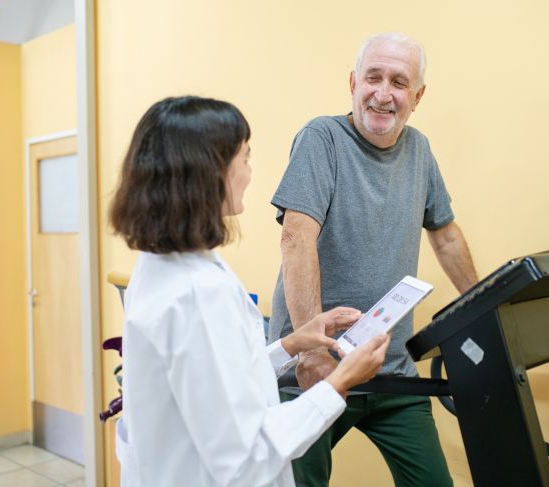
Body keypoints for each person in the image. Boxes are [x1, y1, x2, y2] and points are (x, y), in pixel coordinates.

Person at [109, 96, 390, 487]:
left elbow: (216, 381)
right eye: (245, 158)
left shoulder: (160, 266)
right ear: (211, 172)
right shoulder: (198, 292)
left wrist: (289, 344)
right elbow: (244, 458)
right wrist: (340, 380)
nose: (250, 172)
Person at [268, 32, 478, 486]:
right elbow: (296, 238)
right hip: (315, 369)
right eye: (373, 78)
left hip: (391, 369)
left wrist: (484, 305)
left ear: (417, 96)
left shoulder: (419, 149)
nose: (383, 94)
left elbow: (444, 235)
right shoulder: (321, 137)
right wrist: (310, 351)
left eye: (399, 83)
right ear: (352, 82)